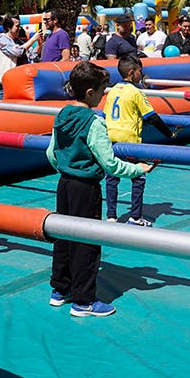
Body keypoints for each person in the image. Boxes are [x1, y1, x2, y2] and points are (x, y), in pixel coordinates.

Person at [46, 61, 155, 317]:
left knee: (63, 236)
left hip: (65, 184)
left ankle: (59, 290)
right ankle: (83, 301)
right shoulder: (94, 123)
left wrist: (65, 167)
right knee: (87, 243)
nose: (104, 95)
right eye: (102, 90)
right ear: (89, 93)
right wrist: (138, 169)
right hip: (86, 187)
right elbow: (109, 163)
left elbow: (51, 152)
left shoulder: (61, 115)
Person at [103, 55, 177, 226]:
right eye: (139, 72)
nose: (141, 75)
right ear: (132, 73)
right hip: (130, 141)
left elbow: (106, 115)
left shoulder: (113, 90)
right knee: (138, 177)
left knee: (112, 178)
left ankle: (111, 216)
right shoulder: (136, 92)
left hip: (112, 140)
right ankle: (135, 217)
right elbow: (152, 117)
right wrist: (169, 134)